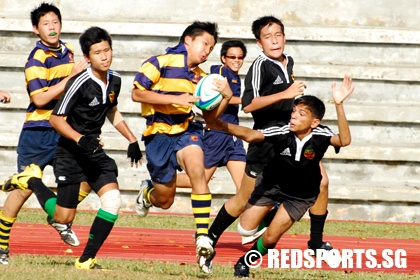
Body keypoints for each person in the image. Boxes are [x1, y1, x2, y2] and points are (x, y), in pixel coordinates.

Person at [201, 16, 334, 273]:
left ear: (284, 36)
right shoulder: (260, 66)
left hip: (291, 137)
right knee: (243, 200)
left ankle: (316, 242)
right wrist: (285, 94)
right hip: (266, 142)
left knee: (321, 182)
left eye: (278, 35)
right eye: (267, 36)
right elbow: (249, 105)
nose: (274, 40)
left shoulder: (288, 61)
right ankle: (209, 240)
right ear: (259, 43)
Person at [5, 26, 142, 269]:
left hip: (94, 153)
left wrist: (132, 139)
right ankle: (32, 180)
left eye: (107, 50)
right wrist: (80, 139)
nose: (104, 56)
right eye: (97, 52)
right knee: (62, 217)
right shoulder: (79, 83)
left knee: (112, 201)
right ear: (87, 58)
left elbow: (111, 109)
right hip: (70, 153)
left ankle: (86, 259)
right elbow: (55, 119)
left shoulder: (116, 79)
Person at [223, 75, 354, 277]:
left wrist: (339, 104)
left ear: (314, 122)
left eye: (301, 114)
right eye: (293, 111)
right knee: (244, 229)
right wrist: (220, 125)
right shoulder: (283, 130)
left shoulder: (321, 134)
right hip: (273, 185)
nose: (293, 116)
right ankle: (273, 210)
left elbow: (344, 140)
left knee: (270, 239)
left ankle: (244, 263)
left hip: (299, 196)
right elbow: (251, 135)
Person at [131, 21, 232, 273]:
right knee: (164, 200)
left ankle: (202, 237)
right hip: (158, 136)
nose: (207, 50)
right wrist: (173, 99)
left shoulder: (202, 78)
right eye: (204, 43)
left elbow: (210, 119)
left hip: (188, 131)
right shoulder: (158, 62)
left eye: (211, 47)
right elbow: (137, 94)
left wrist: (226, 97)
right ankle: (147, 193)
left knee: (197, 170)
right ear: (188, 40)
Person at [0, 2, 90, 265]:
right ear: (35, 29)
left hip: (64, 129)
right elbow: (40, 100)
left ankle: (56, 216)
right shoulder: (36, 59)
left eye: (55, 22)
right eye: (45, 24)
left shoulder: (71, 53)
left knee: (89, 177)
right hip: (38, 131)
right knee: (23, 191)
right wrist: (71, 78)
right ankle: (2, 245)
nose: (51, 27)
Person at [176, 39, 247, 192]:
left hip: (233, 135)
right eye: (232, 57)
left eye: (240, 57)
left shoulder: (235, 77)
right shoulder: (221, 72)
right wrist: (247, 101)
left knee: (245, 188)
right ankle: (157, 180)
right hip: (216, 134)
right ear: (224, 58)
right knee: (196, 180)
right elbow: (214, 96)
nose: (236, 60)